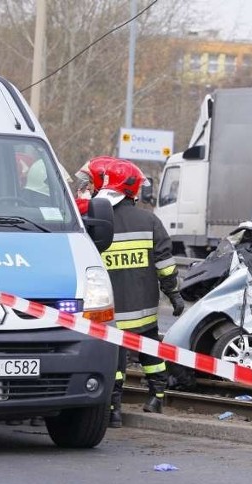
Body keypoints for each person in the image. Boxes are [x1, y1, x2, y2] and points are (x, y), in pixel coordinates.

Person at [80, 157, 185, 426]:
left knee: (115, 359)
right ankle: (157, 397)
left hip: (110, 312)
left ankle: (113, 410)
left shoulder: (91, 222)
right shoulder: (149, 220)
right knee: (150, 351)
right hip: (145, 310)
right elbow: (165, 265)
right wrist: (174, 295)